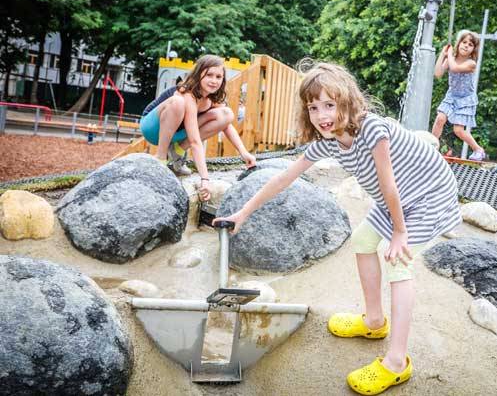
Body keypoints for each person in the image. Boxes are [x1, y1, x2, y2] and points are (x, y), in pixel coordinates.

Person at [214, 62, 461, 395]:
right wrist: (242, 213)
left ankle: (397, 362)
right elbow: (284, 177)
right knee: (362, 241)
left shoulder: (372, 129)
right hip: (401, 198)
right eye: (313, 107)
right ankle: (374, 322)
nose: (321, 114)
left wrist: (399, 234)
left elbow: (388, 184)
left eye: (329, 105)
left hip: (428, 194)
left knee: (398, 263)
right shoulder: (328, 143)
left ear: (347, 101)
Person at [140, 55, 256, 201]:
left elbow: (227, 125)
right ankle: (161, 158)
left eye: (219, 77)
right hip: (154, 128)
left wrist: (244, 153)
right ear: (198, 74)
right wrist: (205, 179)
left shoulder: (212, 99)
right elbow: (195, 141)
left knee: (226, 114)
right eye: (209, 75)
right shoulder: (188, 93)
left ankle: (177, 152)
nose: (214, 81)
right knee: (177, 102)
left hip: (177, 134)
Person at [431, 30, 486, 161]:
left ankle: (478, 149)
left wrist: (449, 54)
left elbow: (455, 68)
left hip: (465, 99)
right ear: (459, 43)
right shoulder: (451, 58)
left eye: (470, 44)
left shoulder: (471, 63)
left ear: (473, 49)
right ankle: (431, 145)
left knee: (458, 130)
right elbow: (438, 73)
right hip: (452, 96)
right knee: (440, 118)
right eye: (464, 42)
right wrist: (443, 55)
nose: (466, 45)